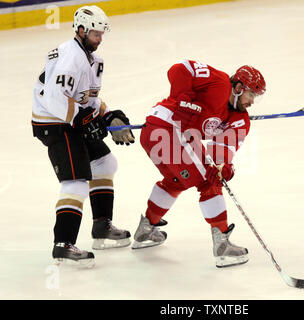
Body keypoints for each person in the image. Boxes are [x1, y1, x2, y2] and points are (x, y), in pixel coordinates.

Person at [132, 60, 266, 267]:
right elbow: (179, 69)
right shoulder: (220, 82)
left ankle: (146, 230)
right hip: (167, 127)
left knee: (178, 180)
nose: (252, 102)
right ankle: (222, 245)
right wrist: (183, 98)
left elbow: (223, 150)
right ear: (239, 88)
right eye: (252, 95)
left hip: (163, 136)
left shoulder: (239, 119)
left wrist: (223, 167)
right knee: (208, 182)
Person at [32, 5, 135, 267]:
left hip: (70, 120)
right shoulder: (70, 57)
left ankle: (101, 226)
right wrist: (81, 122)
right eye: (95, 34)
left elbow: (88, 98)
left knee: (105, 163)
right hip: (54, 123)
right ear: (80, 30)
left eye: (102, 34)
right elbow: (57, 99)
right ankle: (63, 244)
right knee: (76, 180)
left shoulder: (92, 60)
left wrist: (108, 116)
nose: (100, 39)